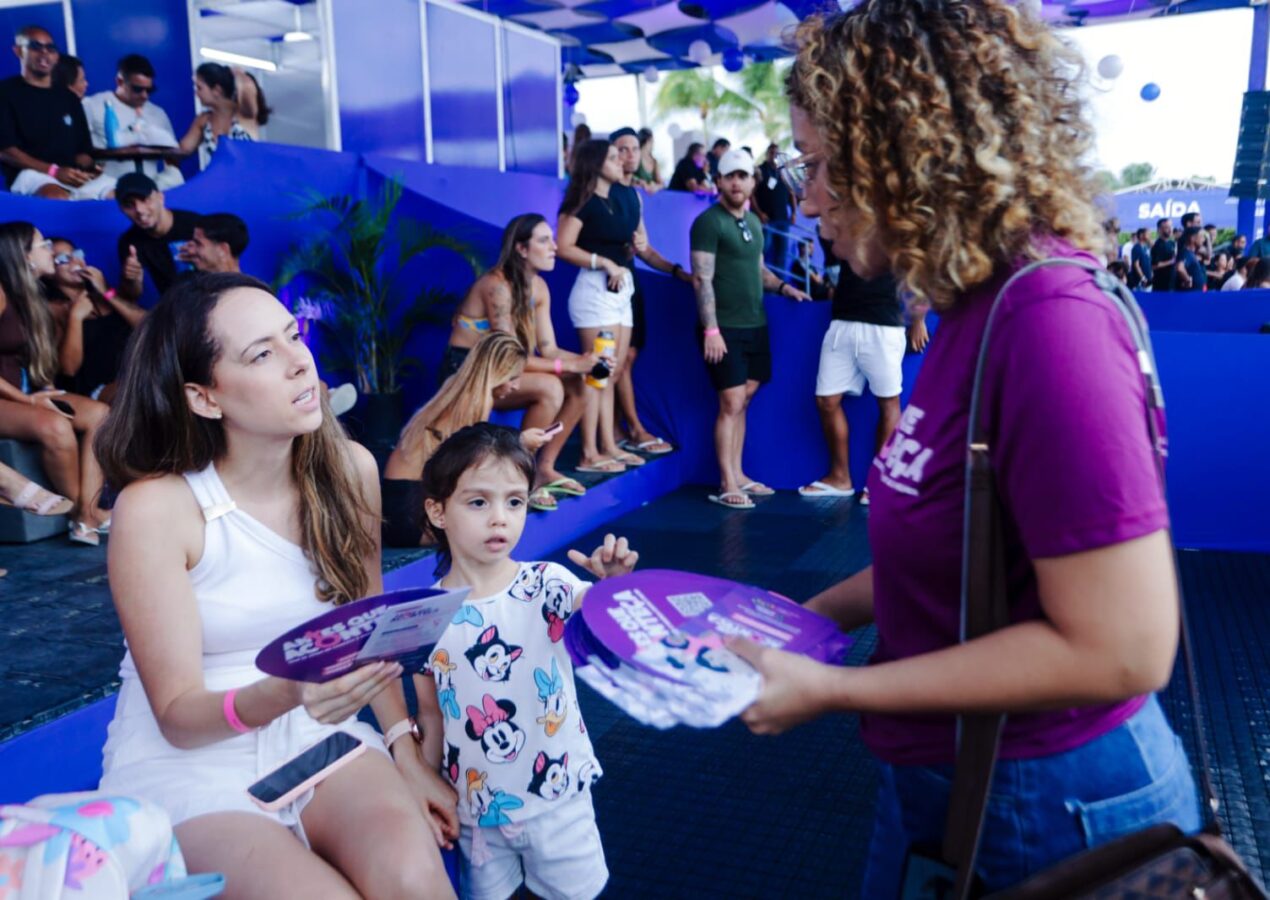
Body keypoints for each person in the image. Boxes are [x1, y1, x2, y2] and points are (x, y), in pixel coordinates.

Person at [731, 5, 1202, 896]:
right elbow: (963, 555)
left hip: (1052, 805)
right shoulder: (969, 312)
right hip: (951, 782)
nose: (811, 197)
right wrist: (798, 620)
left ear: (912, 154)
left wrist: (836, 692)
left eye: (825, 164)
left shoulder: (1049, 323)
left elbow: (1127, 649)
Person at [95, 272, 457, 899]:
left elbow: (369, 630)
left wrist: (404, 751)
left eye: (294, 336)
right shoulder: (156, 509)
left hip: (314, 733)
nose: (300, 362)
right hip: (193, 762)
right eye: (262, 353)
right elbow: (180, 718)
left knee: (414, 882)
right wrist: (292, 690)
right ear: (205, 398)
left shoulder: (351, 470)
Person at [413, 422, 638, 900]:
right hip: (475, 811)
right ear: (438, 511)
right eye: (479, 502)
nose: (500, 518)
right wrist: (427, 790)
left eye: (514, 501)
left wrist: (611, 588)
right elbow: (431, 715)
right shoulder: (425, 618)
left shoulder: (547, 584)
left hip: (560, 801)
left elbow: (606, 626)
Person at [442, 213, 596, 503]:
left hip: (502, 371)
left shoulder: (539, 287)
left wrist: (588, 361)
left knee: (583, 383)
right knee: (551, 387)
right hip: (465, 371)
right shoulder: (497, 285)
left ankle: (543, 468)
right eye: (544, 240)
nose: (554, 247)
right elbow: (506, 357)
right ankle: (520, 477)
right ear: (521, 249)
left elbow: (548, 350)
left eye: (552, 239)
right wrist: (569, 365)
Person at [690, 148, 809, 509]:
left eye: (743, 175)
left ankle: (739, 473)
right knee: (731, 402)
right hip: (723, 327)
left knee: (744, 399)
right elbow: (701, 279)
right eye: (730, 176)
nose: (737, 182)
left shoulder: (753, 223)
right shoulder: (709, 222)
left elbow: (758, 270)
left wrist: (785, 287)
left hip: (756, 324)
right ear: (719, 181)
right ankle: (727, 482)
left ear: (753, 181)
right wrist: (711, 330)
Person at [385, 332, 553, 544]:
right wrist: (520, 443)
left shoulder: (457, 387)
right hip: (407, 510)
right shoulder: (472, 403)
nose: (516, 386)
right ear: (496, 374)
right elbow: (472, 462)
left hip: (398, 503)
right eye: (512, 378)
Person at [0, 222, 109, 544]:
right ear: (24, 256)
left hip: (23, 393)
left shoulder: (33, 296)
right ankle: (82, 515)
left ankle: (88, 513)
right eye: (43, 244)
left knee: (100, 416)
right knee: (55, 426)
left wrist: (39, 389)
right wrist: (27, 400)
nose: (50, 250)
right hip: (7, 396)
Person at [798, 259, 925, 505]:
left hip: (885, 325)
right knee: (826, 400)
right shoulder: (846, 224)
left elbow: (920, 267)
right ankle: (840, 478)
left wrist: (919, 319)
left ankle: (878, 484)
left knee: (888, 402)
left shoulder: (895, 224)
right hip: (842, 323)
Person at [557, 140, 647, 474]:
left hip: (621, 291)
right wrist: (603, 263)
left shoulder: (622, 198)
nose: (621, 159)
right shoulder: (584, 201)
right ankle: (588, 453)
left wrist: (635, 247)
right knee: (597, 374)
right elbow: (563, 246)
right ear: (596, 164)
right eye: (612, 156)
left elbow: (636, 240)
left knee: (611, 373)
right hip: (595, 292)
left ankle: (608, 446)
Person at [610, 125, 691, 456]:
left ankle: (619, 429)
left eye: (634, 149)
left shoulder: (634, 196)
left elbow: (644, 248)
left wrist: (676, 271)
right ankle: (633, 429)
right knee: (618, 359)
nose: (630, 155)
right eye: (622, 149)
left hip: (630, 281)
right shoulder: (603, 194)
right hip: (608, 284)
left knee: (627, 357)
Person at [0, 26, 111, 200]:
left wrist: (87, 166)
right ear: (19, 51)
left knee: (120, 195)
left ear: (56, 55)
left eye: (50, 48)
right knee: (57, 197)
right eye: (35, 47)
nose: (44, 53)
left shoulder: (69, 97)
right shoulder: (5, 92)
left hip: (70, 174)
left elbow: (83, 151)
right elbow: (6, 151)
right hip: (31, 174)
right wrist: (54, 171)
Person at [44, 237, 143, 403]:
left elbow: (149, 326)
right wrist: (76, 317)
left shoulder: (104, 294)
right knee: (143, 389)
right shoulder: (53, 309)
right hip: (97, 388)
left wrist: (106, 292)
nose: (75, 261)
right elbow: (68, 369)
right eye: (63, 259)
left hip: (135, 375)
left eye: (76, 254)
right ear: (50, 272)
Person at [82, 54, 184, 189]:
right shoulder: (93, 105)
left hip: (150, 193)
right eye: (137, 89)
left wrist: (168, 179)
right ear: (119, 81)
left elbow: (172, 156)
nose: (144, 95)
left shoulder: (158, 113)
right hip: (109, 191)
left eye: (149, 90)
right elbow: (80, 152)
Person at [114, 172, 199, 300]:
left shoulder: (195, 226)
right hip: (174, 309)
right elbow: (133, 295)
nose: (140, 210)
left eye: (145, 200)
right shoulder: (129, 242)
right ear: (121, 209)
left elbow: (225, 269)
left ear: (160, 197)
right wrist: (132, 279)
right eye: (129, 205)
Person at [178, 62, 255, 170]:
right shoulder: (203, 120)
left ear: (217, 90)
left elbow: (248, 90)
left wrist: (239, 75)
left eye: (199, 88)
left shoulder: (243, 113)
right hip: (221, 182)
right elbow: (183, 150)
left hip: (248, 181)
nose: (196, 94)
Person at [753, 143, 797, 271]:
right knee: (763, 250)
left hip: (783, 219)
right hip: (766, 220)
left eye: (776, 153)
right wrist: (759, 213)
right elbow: (752, 194)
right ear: (767, 154)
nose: (774, 156)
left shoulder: (784, 172)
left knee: (781, 254)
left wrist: (794, 212)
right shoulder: (760, 170)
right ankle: (759, 279)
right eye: (771, 153)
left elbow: (791, 193)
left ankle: (779, 286)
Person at [1172, 226, 1205, 291]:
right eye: (1201, 237)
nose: (1203, 239)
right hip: (1190, 296)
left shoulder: (1190, 253)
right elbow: (1180, 268)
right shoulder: (1186, 253)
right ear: (1192, 238)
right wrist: (1188, 280)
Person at [1150, 217, 1176, 292]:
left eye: (1171, 226)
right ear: (1159, 230)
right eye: (1167, 227)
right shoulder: (1158, 245)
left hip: (1172, 283)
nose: (1170, 229)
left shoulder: (1172, 243)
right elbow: (1154, 266)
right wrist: (1172, 261)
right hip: (1162, 285)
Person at [633, 127, 662, 193]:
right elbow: (627, 176)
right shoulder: (635, 157)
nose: (653, 143)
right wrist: (639, 182)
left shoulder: (654, 161)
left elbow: (661, 183)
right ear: (648, 140)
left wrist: (656, 187)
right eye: (652, 141)